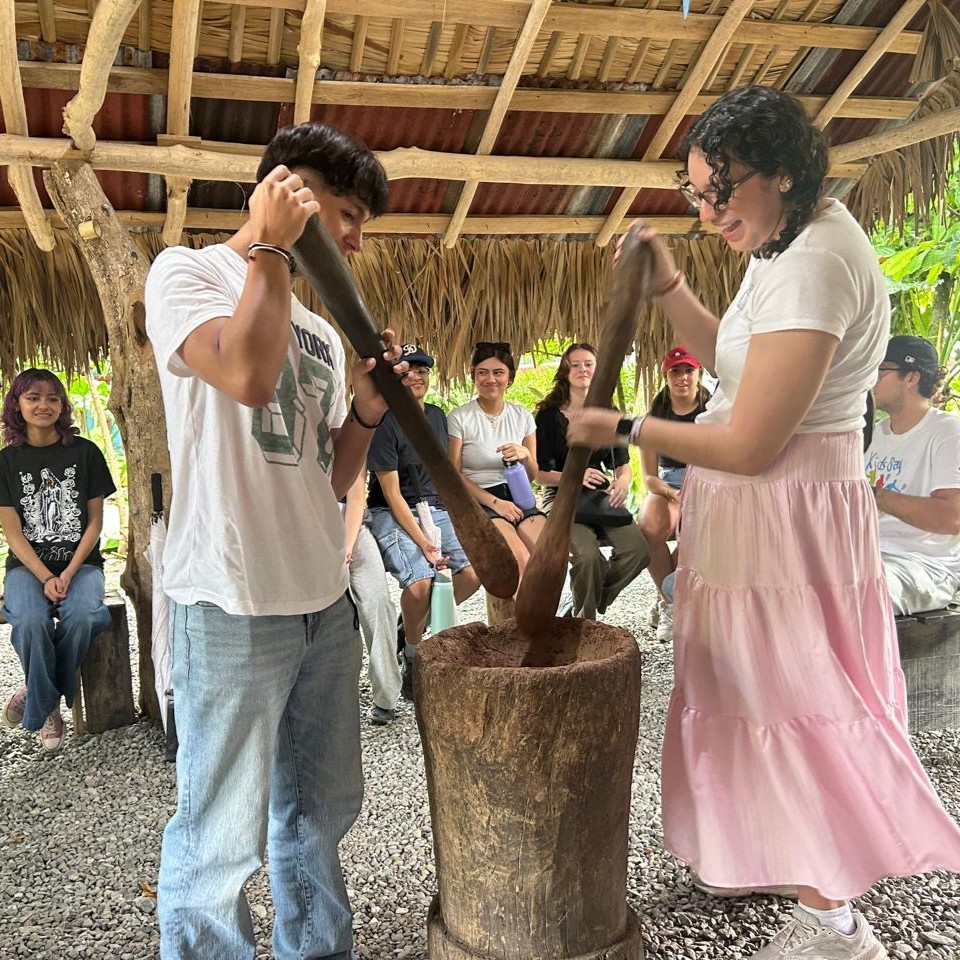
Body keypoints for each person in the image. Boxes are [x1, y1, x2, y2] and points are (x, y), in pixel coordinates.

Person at [568, 85, 960, 960]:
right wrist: (672, 287)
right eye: (696, 193)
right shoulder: (783, 239)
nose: (708, 213)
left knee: (796, 700)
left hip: (788, 517)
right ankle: (767, 851)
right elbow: (741, 365)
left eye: (723, 191)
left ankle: (837, 926)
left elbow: (747, 442)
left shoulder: (821, 258)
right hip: (756, 516)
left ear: (783, 173)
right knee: (742, 688)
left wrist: (624, 428)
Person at [145, 121, 407, 960]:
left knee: (318, 817)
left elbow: (327, 478)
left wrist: (367, 408)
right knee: (219, 841)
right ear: (288, 189)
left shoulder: (322, 333)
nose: (357, 239)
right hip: (229, 602)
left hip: (319, 606)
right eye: (348, 212)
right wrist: (270, 247)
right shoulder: (187, 273)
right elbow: (248, 377)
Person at [0, 369, 116, 754]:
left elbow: (96, 521)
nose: (43, 405)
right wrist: (46, 575)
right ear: (17, 404)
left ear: (63, 405)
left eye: (52, 398)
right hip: (27, 568)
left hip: (81, 565)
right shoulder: (6, 461)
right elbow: (13, 533)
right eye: (33, 397)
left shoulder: (86, 452)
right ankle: (48, 706)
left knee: (83, 615)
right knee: (30, 620)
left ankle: (35, 695)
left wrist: (65, 573)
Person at [366, 344, 480, 700]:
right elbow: (391, 492)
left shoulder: (435, 416)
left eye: (422, 370)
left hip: (433, 507)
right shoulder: (383, 421)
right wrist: (425, 543)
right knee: (419, 585)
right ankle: (415, 657)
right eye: (407, 371)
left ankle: (410, 628)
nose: (416, 376)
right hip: (390, 511)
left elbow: (441, 472)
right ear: (395, 378)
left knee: (473, 573)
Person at [534, 342, 649, 619]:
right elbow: (538, 475)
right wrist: (574, 475)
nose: (582, 370)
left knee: (639, 551)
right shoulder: (549, 416)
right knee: (587, 558)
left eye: (588, 364)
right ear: (565, 371)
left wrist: (622, 482)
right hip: (560, 494)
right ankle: (584, 623)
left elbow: (623, 465)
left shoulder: (609, 412)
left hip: (599, 495)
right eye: (575, 365)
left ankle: (586, 602)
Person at [866, 335, 960, 615]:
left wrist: (875, 496)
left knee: (860, 592)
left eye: (881, 371)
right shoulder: (876, 434)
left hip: (925, 565)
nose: (871, 379)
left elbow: (952, 517)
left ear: (911, 377)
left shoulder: (947, 433)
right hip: (868, 555)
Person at [447, 342, 546, 586]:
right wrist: (496, 503)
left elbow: (533, 475)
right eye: (483, 372)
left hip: (520, 494)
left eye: (498, 372)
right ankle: (523, 625)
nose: (490, 379)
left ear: (509, 377)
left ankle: (545, 620)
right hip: (481, 499)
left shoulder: (522, 416)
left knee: (549, 559)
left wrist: (525, 455)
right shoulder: (460, 417)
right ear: (474, 376)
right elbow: (454, 474)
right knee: (519, 561)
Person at [639, 345, 710, 642]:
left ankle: (671, 597)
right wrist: (672, 493)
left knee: (697, 528)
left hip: (707, 482)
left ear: (699, 373)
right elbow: (649, 477)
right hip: (667, 484)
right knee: (649, 527)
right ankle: (669, 604)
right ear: (666, 375)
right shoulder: (654, 417)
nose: (682, 377)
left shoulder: (713, 411)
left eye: (688, 370)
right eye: (675, 371)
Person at [342, 468, 401, 725]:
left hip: (351, 523)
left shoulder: (352, 426)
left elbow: (356, 497)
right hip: (305, 530)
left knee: (379, 603)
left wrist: (345, 546)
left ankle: (386, 696)